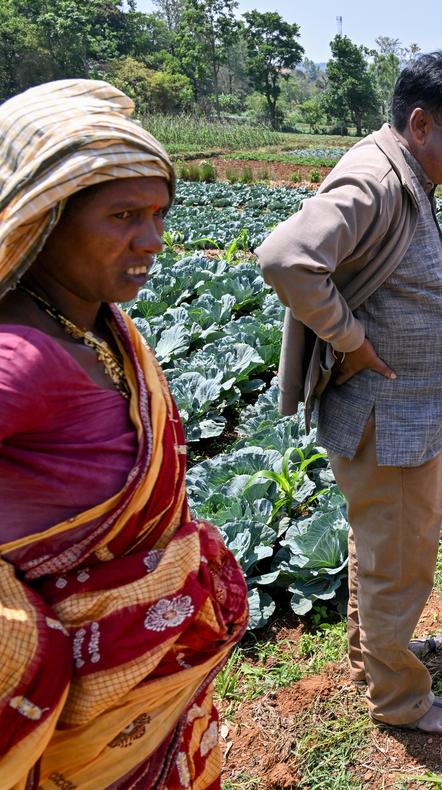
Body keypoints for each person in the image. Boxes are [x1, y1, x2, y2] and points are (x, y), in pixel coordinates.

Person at [0, 80, 248, 788]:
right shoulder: (21, 356)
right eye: (124, 216)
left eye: (160, 214)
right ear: (41, 218)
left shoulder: (90, 317)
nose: (153, 240)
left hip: (137, 689)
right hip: (79, 712)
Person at [256, 52, 442, 735]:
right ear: (420, 124)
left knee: (383, 549)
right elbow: (285, 256)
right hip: (388, 419)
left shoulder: (404, 171)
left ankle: (374, 658)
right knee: (400, 562)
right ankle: (400, 701)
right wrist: (352, 341)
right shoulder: (375, 178)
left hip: (405, 417)